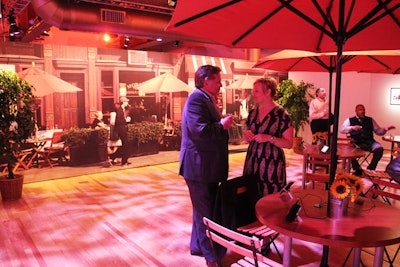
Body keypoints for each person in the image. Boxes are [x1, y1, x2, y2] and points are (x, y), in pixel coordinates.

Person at [179, 65, 234, 267]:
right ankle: (212, 259)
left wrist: (220, 121)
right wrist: (222, 125)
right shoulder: (196, 99)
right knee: (205, 213)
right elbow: (199, 131)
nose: (221, 84)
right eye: (218, 81)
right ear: (205, 80)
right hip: (198, 168)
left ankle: (198, 247)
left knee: (201, 210)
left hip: (204, 167)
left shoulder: (205, 99)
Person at [243, 77, 293, 196]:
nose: (253, 94)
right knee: (250, 196)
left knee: (270, 199)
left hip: (272, 164)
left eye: (256, 91)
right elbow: (245, 137)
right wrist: (246, 135)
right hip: (252, 161)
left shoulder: (282, 114)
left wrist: (269, 138)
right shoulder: (253, 113)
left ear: (268, 91)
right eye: (253, 91)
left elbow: (289, 143)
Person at [340, 104, 395, 175]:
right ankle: (357, 169)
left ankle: (370, 169)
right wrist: (352, 128)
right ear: (356, 111)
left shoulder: (370, 120)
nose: (362, 111)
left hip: (369, 142)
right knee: (349, 151)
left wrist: (385, 129)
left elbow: (378, 131)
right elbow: (341, 130)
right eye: (360, 110)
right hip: (356, 143)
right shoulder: (349, 120)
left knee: (379, 148)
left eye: (363, 110)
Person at [109, 97, 131, 166]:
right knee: (126, 145)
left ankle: (114, 157)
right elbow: (118, 121)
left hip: (123, 129)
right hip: (121, 130)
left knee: (125, 145)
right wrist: (126, 120)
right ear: (123, 102)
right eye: (126, 102)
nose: (127, 103)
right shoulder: (119, 110)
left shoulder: (122, 110)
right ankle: (123, 161)